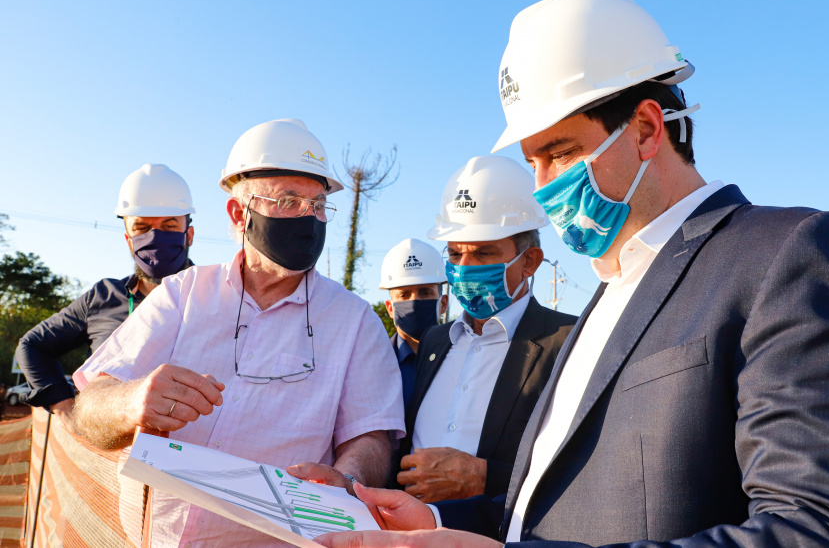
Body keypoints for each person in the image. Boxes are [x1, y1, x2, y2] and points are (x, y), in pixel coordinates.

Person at [315, 0, 829, 547]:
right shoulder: (611, 295)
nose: (544, 187)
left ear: (649, 129)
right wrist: (443, 522)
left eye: (564, 153)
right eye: (533, 162)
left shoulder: (794, 257)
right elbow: (552, 505)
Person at [73, 118, 405, 547]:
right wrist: (131, 400)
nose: (309, 217)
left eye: (318, 204)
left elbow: (373, 437)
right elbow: (90, 407)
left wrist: (348, 478)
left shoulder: (356, 322)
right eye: (288, 200)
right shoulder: (182, 295)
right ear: (238, 212)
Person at [393, 156, 577, 503]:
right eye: (455, 254)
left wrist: (484, 478)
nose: (464, 268)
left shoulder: (568, 342)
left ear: (529, 262)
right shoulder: (435, 341)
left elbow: (579, 468)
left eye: (483, 254)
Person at [16, 163, 195, 435]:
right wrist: (66, 409)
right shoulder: (102, 297)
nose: (155, 236)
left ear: (188, 235)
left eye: (169, 226)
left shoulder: (220, 298)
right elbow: (32, 346)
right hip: (102, 456)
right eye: (142, 227)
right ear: (128, 239)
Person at [379, 238, 449, 406]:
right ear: (390, 308)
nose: (415, 301)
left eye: (425, 292)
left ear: (443, 304)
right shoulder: (375, 364)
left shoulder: (463, 355)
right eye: (404, 295)